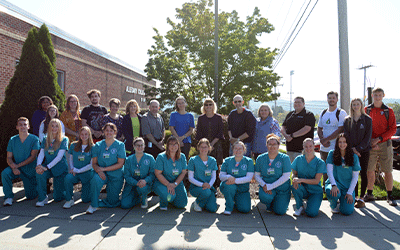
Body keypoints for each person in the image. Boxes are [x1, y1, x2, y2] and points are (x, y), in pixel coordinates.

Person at [364, 87, 397, 206]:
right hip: (370, 143)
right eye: (375, 95)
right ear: (372, 96)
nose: (377, 97)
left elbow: (393, 129)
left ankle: (390, 195)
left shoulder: (389, 111)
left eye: (380, 95)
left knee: (387, 170)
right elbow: (364, 128)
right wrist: (371, 141)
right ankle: (369, 193)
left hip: (384, 143)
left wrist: (379, 140)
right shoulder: (366, 110)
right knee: (370, 170)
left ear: (383, 95)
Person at [86, 123, 126, 214]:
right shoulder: (98, 145)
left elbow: (120, 164)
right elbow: (94, 163)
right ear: (103, 132)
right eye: (107, 130)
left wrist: (103, 169)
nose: (109, 132)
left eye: (111, 131)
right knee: (95, 180)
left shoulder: (120, 145)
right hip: (100, 172)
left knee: (112, 202)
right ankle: (94, 204)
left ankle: (104, 201)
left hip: (115, 174)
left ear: (115, 132)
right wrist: (98, 170)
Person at [2, 117, 40, 206]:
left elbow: (33, 157)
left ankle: (36, 187)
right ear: (17, 127)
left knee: (31, 196)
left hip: (30, 170)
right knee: (5, 173)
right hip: (16, 168)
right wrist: (13, 167)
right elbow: (9, 157)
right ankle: (8, 197)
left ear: (28, 127)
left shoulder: (34, 139)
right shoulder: (12, 140)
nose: (23, 126)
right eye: (20, 125)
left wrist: (17, 166)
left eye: (25, 124)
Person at [343, 98, 372, 208]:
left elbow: (367, 137)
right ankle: (354, 196)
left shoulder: (367, 119)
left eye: (358, 104)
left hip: (364, 151)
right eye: (354, 104)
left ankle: (361, 198)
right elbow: (346, 136)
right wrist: (353, 149)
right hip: (351, 151)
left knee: (363, 173)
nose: (356, 106)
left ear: (361, 105)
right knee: (353, 174)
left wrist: (358, 149)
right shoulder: (347, 120)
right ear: (351, 106)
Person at [254, 134, 291, 215]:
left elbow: (286, 176)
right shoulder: (260, 158)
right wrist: (264, 185)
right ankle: (269, 204)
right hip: (266, 186)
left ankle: (279, 203)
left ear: (278, 145)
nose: (272, 146)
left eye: (274, 144)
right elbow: (256, 175)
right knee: (266, 197)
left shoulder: (284, 158)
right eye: (269, 144)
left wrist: (271, 186)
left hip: (282, 188)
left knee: (280, 212)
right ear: (266, 145)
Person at [35, 119, 69, 207]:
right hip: (47, 166)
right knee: (40, 173)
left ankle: (67, 193)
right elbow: (41, 153)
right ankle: (42, 198)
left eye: (56, 126)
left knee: (58, 198)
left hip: (60, 169)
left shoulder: (64, 139)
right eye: (52, 126)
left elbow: (59, 157)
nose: (54, 128)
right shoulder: (45, 139)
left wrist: (46, 167)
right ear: (49, 127)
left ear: (60, 128)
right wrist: (39, 166)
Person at [317, 91, 347, 187]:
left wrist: (327, 140)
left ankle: (337, 187)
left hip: (336, 147)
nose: (331, 100)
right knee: (325, 168)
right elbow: (319, 128)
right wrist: (322, 139)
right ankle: (326, 187)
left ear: (337, 99)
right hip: (324, 148)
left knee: (336, 169)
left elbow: (340, 129)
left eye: (333, 98)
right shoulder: (323, 112)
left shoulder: (341, 113)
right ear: (327, 99)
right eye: (330, 98)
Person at [325, 134, 361, 215]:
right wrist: (333, 185)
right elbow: (329, 171)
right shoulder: (332, 153)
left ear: (348, 143)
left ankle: (343, 202)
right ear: (337, 143)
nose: (342, 144)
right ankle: (333, 204)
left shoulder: (354, 157)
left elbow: (355, 177)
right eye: (340, 142)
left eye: (344, 142)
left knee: (347, 211)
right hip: (335, 183)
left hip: (347, 186)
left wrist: (350, 192)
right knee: (333, 193)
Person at [291, 138, 326, 217]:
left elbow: (316, 181)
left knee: (311, 213)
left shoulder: (320, 162)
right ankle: (299, 206)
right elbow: (294, 174)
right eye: (306, 146)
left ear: (314, 146)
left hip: (315, 191)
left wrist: (301, 180)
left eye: (310, 146)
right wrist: (295, 178)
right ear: (303, 147)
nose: (308, 148)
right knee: (295, 185)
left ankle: (312, 204)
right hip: (302, 188)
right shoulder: (298, 159)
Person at [63, 126, 94, 209]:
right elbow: (70, 158)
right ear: (79, 135)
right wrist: (72, 169)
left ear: (89, 135)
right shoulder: (74, 145)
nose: (84, 136)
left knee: (86, 200)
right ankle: (69, 200)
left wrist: (79, 170)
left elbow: (91, 164)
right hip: (75, 172)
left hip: (86, 173)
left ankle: (87, 194)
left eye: (86, 134)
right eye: (82, 134)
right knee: (68, 178)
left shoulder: (93, 147)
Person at [219, 141, 254, 215]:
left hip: (242, 189)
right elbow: (221, 176)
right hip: (229, 186)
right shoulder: (227, 160)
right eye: (236, 148)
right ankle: (228, 207)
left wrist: (234, 180)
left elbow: (248, 178)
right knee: (229, 187)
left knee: (245, 209)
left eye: (240, 148)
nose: (238, 150)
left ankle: (235, 200)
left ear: (244, 150)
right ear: (233, 150)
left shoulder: (249, 161)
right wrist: (228, 176)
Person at [153, 136, 188, 211]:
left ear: (178, 145)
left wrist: (175, 184)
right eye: (171, 144)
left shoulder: (182, 157)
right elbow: (158, 173)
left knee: (182, 204)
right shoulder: (161, 157)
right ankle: (164, 200)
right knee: (169, 196)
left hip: (176, 183)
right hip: (162, 183)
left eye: (175, 144)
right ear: (167, 146)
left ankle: (171, 199)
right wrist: (168, 184)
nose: (173, 146)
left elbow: (183, 172)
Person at [121, 137, 155, 209]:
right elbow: (126, 175)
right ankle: (138, 198)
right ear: (134, 146)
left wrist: (145, 180)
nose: (140, 147)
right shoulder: (128, 160)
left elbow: (153, 173)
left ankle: (144, 197)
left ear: (144, 146)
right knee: (125, 205)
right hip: (131, 185)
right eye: (137, 145)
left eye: (141, 145)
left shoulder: (150, 158)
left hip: (145, 184)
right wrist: (136, 183)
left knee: (142, 188)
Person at [188, 138, 219, 213]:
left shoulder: (213, 160)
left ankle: (204, 201)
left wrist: (209, 185)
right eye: (201, 147)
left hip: (209, 187)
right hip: (196, 187)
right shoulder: (193, 160)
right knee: (206, 192)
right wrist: (202, 184)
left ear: (209, 148)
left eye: (205, 147)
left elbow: (213, 177)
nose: (203, 149)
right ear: (198, 148)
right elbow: (190, 178)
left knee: (212, 209)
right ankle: (198, 202)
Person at [281, 97, 316, 162]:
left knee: (303, 169)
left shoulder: (308, 114)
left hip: (303, 149)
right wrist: (286, 136)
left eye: (299, 102)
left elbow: (307, 128)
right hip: (290, 148)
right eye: (295, 102)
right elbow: (283, 127)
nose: (297, 104)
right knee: (293, 169)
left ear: (303, 103)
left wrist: (292, 136)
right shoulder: (290, 114)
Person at [195, 98, 224, 166]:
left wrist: (211, 144)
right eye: (206, 105)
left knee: (216, 165)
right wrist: (206, 145)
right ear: (204, 106)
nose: (208, 106)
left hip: (216, 145)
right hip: (203, 146)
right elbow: (199, 133)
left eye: (210, 104)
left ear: (213, 106)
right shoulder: (201, 118)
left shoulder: (218, 118)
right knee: (204, 164)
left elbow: (220, 132)